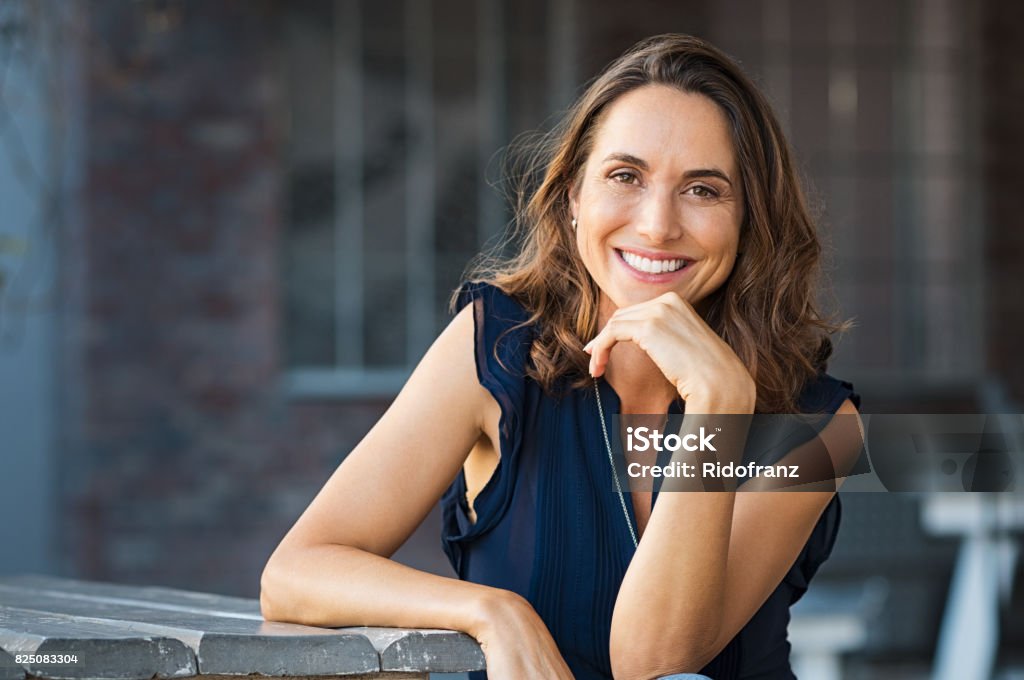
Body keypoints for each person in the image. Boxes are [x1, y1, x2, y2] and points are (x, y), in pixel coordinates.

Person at [260, 34, 864, 680]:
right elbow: (296, 572)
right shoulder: (493, 347)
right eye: (625, 176)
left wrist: (719, 405)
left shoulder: (818, 426)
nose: (658, 225)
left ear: (749, 220)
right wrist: (491, 612)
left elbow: (649, 658)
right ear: (575, 198)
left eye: (703, 190)